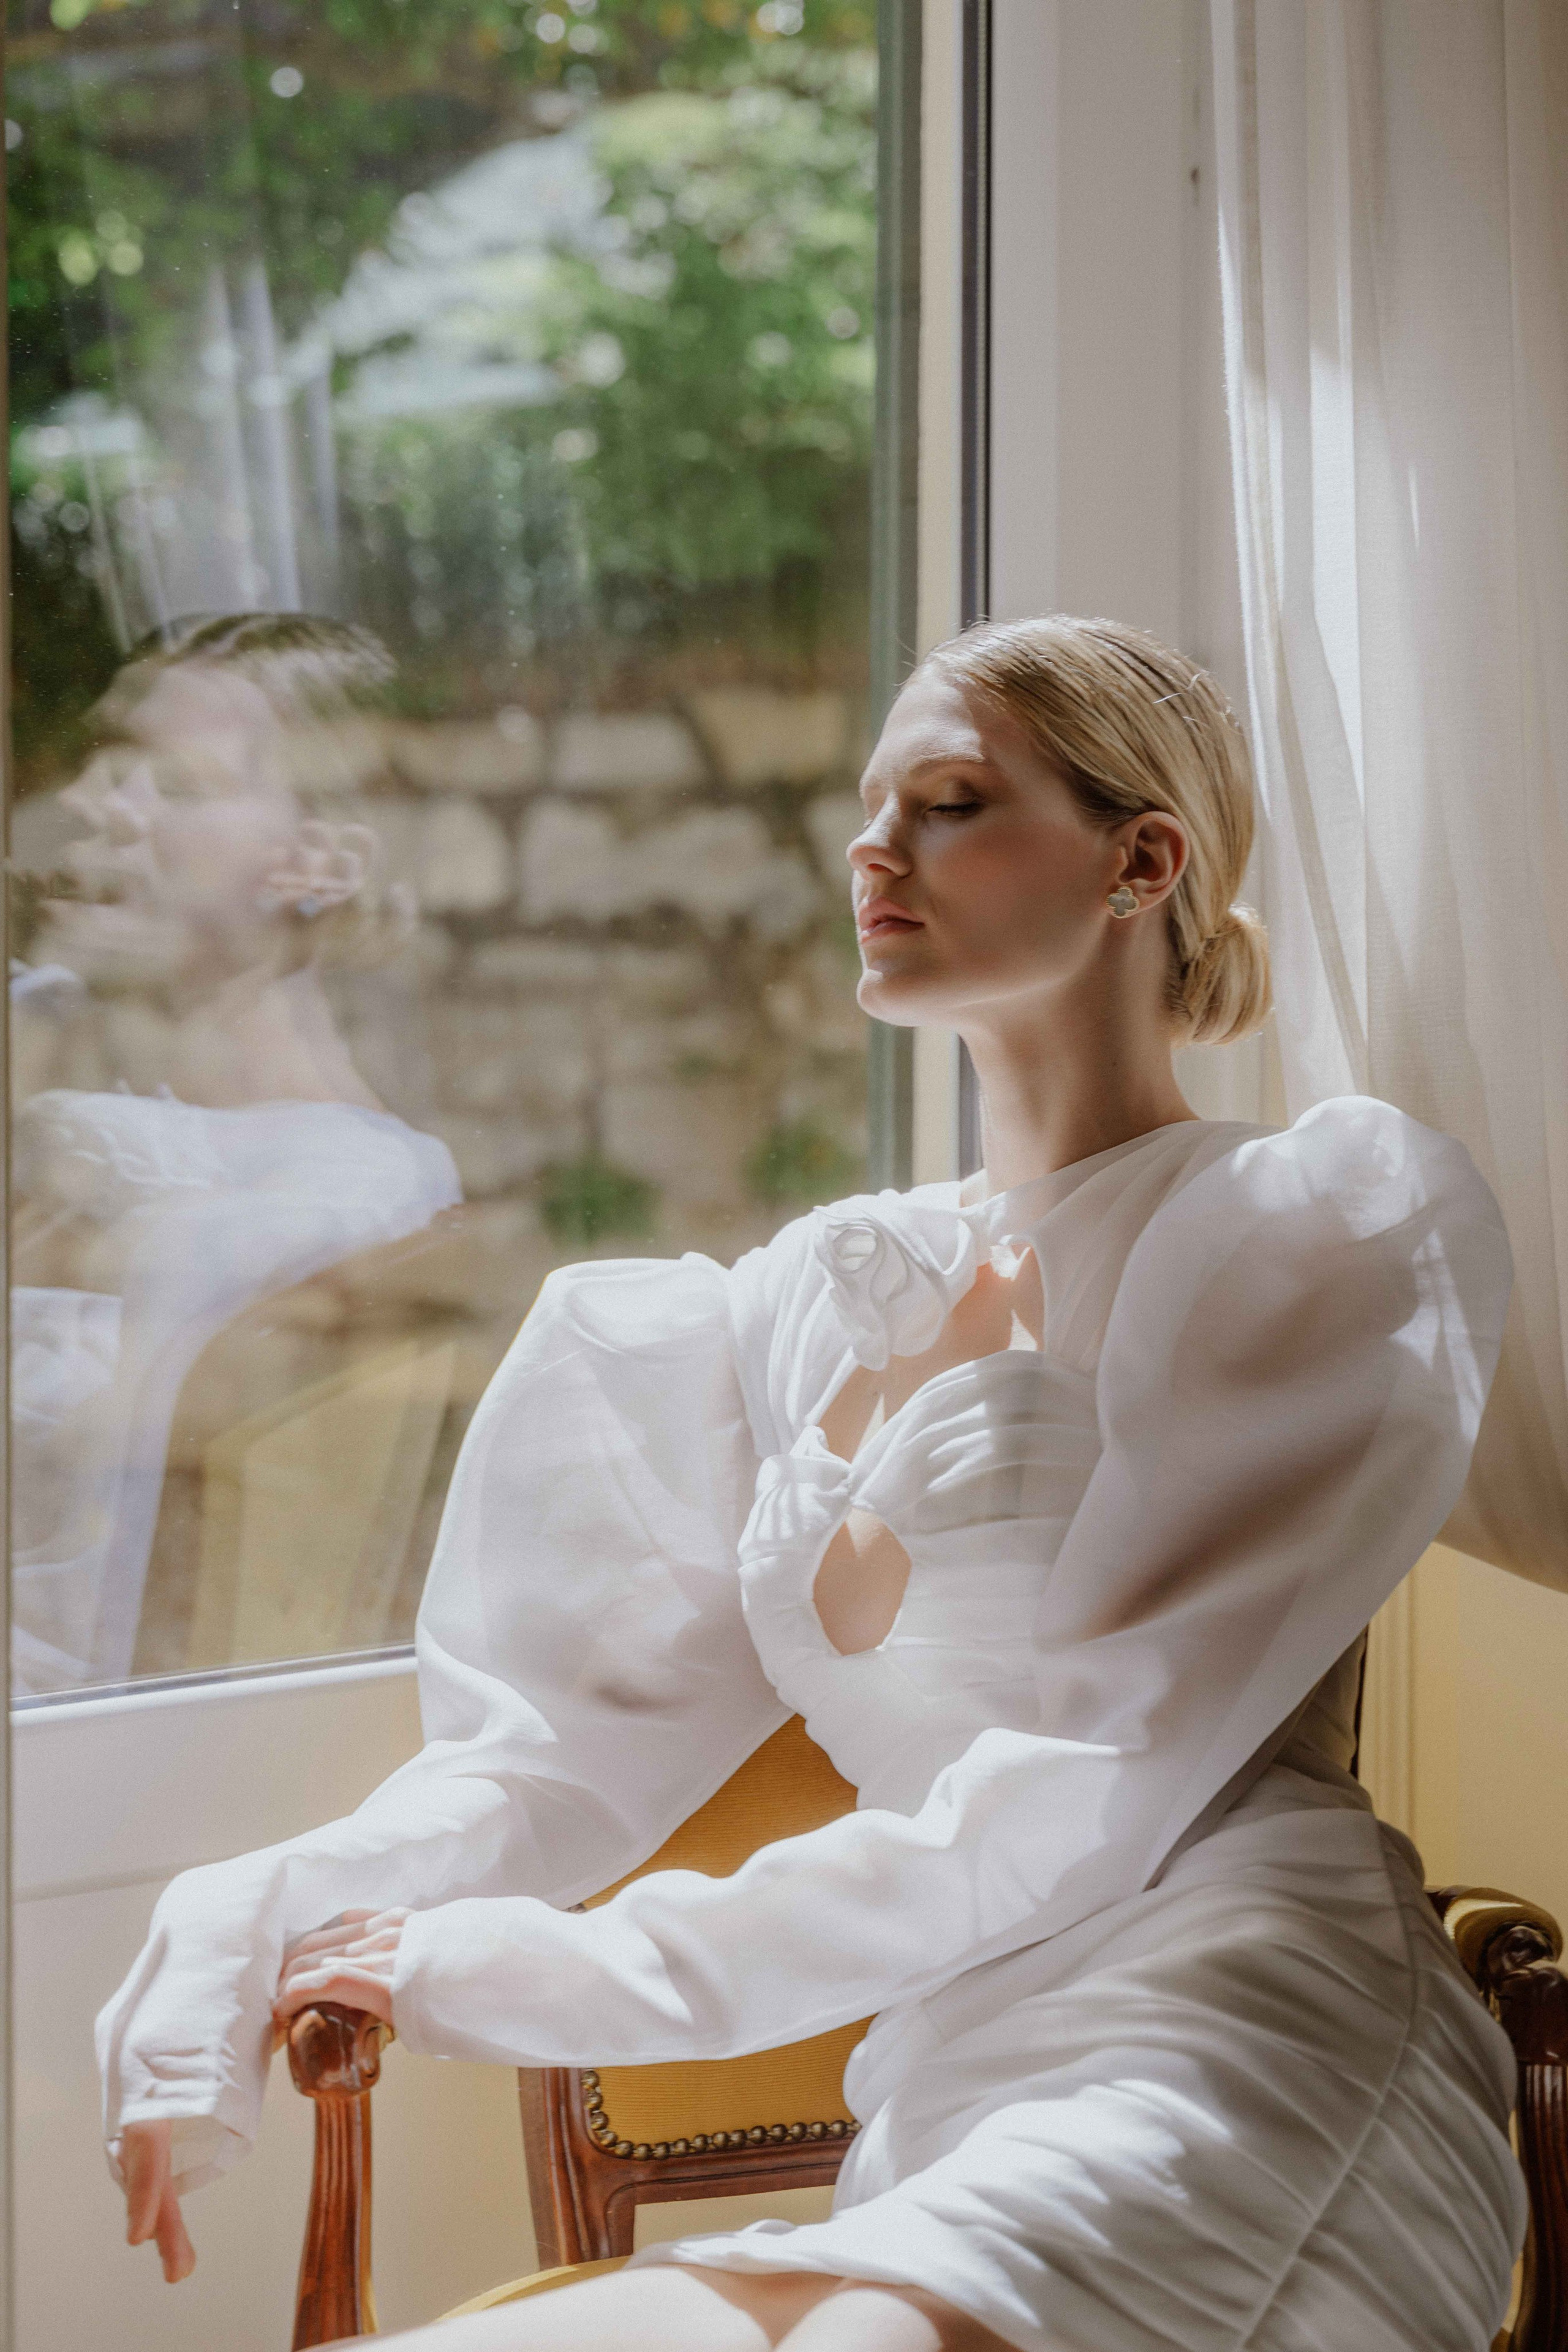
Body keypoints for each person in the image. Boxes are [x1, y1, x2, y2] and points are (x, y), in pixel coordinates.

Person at [98, 617, 1525, 2352]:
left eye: (947, 800)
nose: (872, 848)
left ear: (1141, 861)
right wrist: (243, 1920)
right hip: (949, 2066)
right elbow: (553, 1759)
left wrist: (505, 1977)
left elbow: (1078, 1785)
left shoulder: (1303, 1230)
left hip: (1246, 2029)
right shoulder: (799, 1302)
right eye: (869, 805)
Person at [11, 614, 459, 1690]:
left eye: (172, 783)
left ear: (315, 860)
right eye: (101, 766)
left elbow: (157, 1662)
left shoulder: (329, 1209)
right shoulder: (76, 1097)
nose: (89, 808)